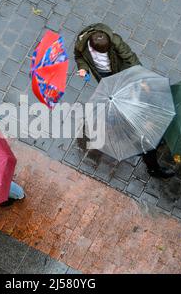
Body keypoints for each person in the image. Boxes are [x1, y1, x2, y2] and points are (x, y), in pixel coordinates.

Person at [74, 23, 174, 179]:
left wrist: (139, 77)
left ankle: (155, 142)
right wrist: (83, 68)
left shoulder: (114, 41)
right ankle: (153, 169)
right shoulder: (82, 46)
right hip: (129, 121)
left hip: (120, 79)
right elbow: (79, 57)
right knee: (145, 145)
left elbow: (130, 57)